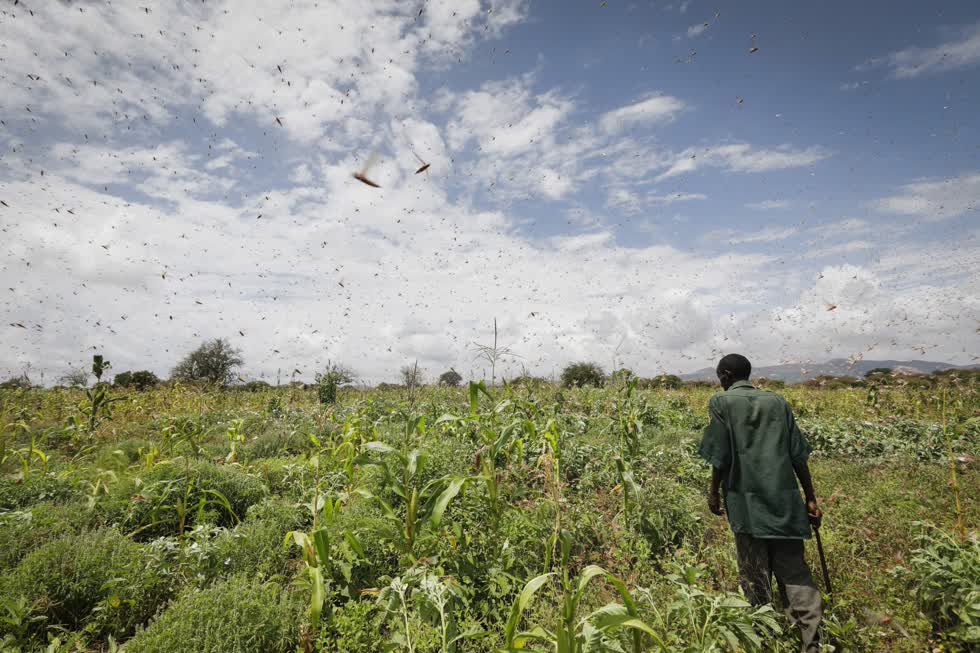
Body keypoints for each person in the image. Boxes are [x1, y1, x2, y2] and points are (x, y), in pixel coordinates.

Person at [698, 353, 824, 652]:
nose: (720, 380)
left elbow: (721, 455)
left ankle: (764, 640)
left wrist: (713, 491)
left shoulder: (721, 403)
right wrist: (810, 497)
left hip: (746, 503)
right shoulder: (778, 403)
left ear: (726, 374)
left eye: (719, 374)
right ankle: (812, 643)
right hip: (785, 502)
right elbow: (798, 455)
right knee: (795, 573)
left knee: (755, 576)